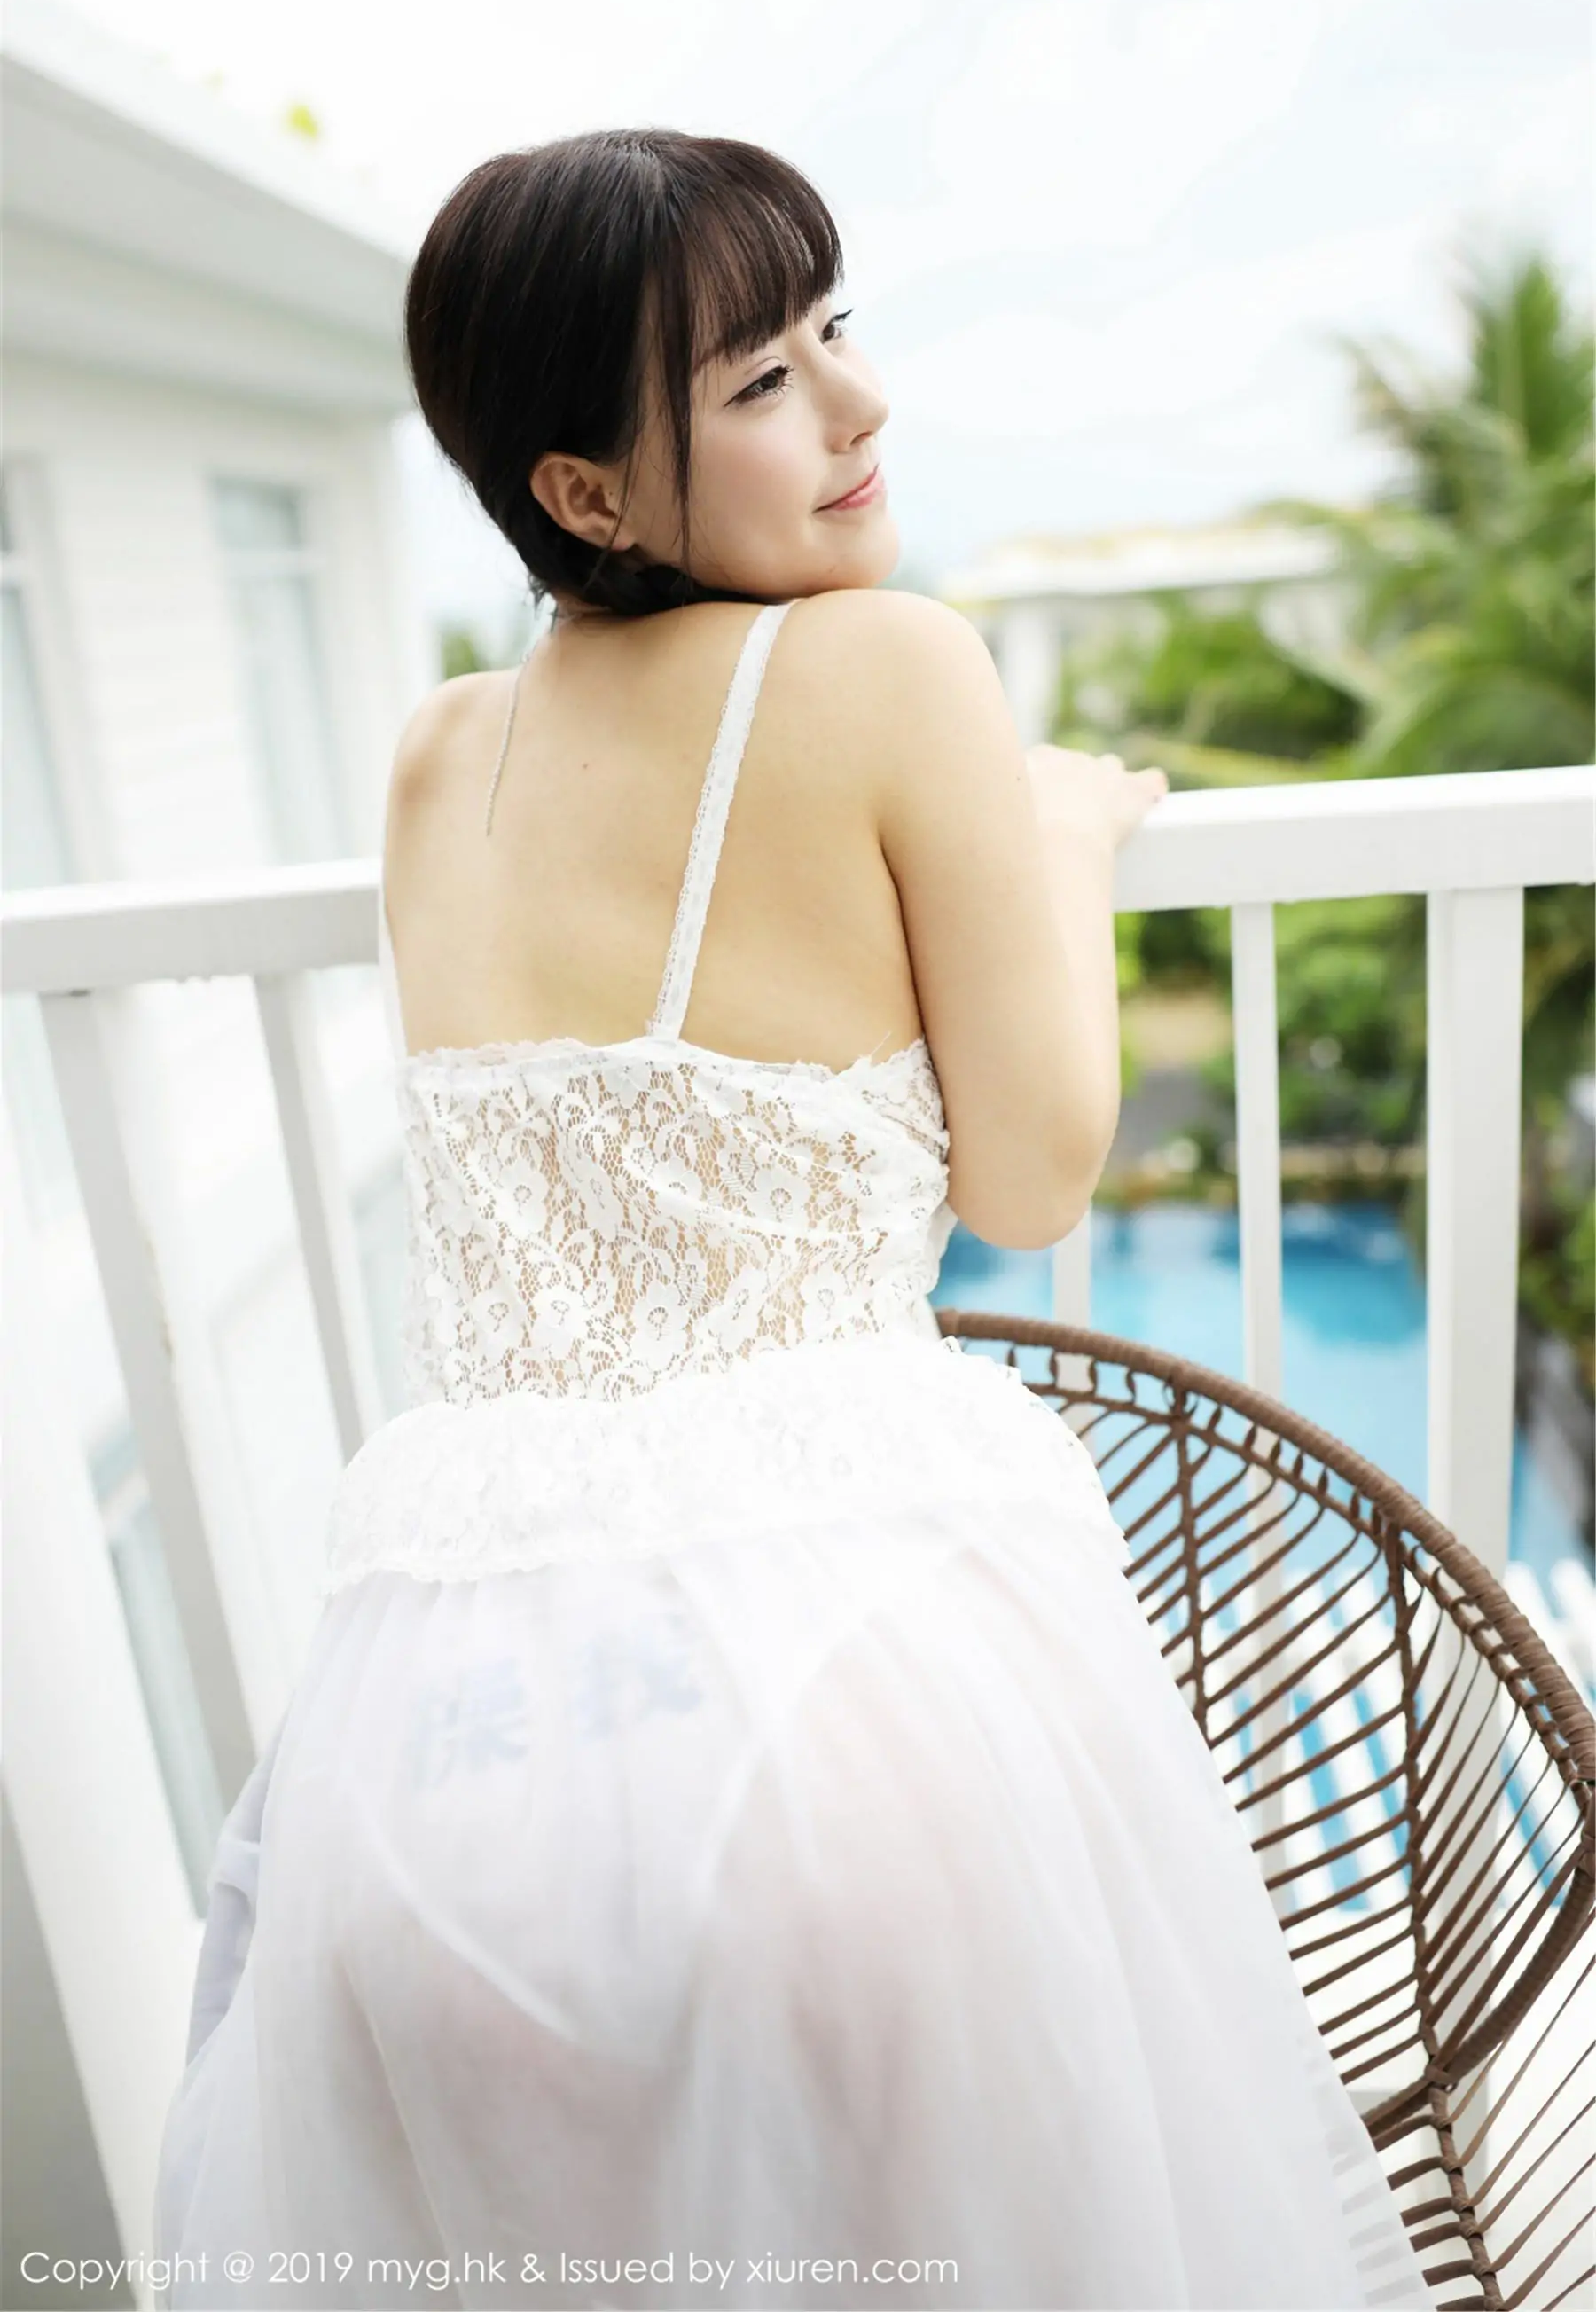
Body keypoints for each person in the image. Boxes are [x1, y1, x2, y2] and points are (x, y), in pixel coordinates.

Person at [153, 130, 1433, 2312]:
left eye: (837, 328)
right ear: (585, 491)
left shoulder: (438, 754)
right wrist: (1062, 849)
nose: (858, 403)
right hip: (829, 1692)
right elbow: (1030, 1178)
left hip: (438, 1752)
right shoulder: (887, 670)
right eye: (761, 380)